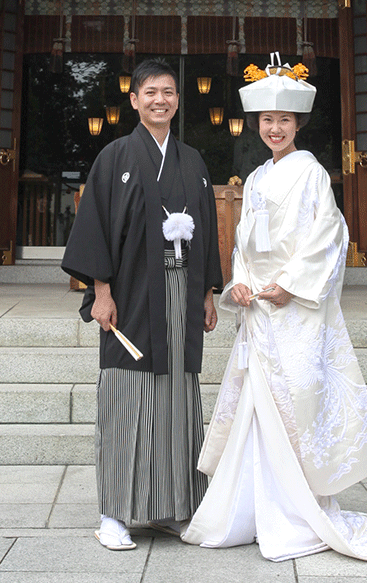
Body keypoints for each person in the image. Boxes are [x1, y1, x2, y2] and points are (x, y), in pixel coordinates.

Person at [181, 53, 367, 562]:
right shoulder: (258, 178)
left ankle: (298, 510)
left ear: (298, 124)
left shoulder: (311, 175)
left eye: (284, 120)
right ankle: (251, 508)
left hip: (297, 310)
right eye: (267, 120)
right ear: (257, 124)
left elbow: (329, 237)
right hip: (260, 311)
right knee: (259, 410)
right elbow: (244, 241)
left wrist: (289, 285)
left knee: (297, 410)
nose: (275, 129)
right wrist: (239, 283)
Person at [62, 57, 222, 550]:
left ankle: (174, 508)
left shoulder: (192, 160)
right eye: (150, 92)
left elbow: (209, 231)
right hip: (129, 295)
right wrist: (101, 292)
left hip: (180, 298)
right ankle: (115, 512)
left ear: (178, 100)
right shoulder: (114, 157)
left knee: (176, 399)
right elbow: (95, 228)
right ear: (135, 100)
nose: (160, 99)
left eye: (169, 92)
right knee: (126, 399)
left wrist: (208, 292)